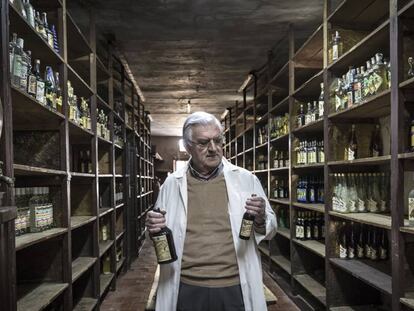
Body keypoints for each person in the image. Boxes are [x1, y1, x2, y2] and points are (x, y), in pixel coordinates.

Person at [146, 111, 277, 311]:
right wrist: (154, 226)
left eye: (217, 140)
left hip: (234, 285)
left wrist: (260, 219)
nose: (213, 148)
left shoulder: (245, 179)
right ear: (188, 146)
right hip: (186, 286)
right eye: (203, 142)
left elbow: (270, 229)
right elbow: (160, 233)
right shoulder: (172, 184)